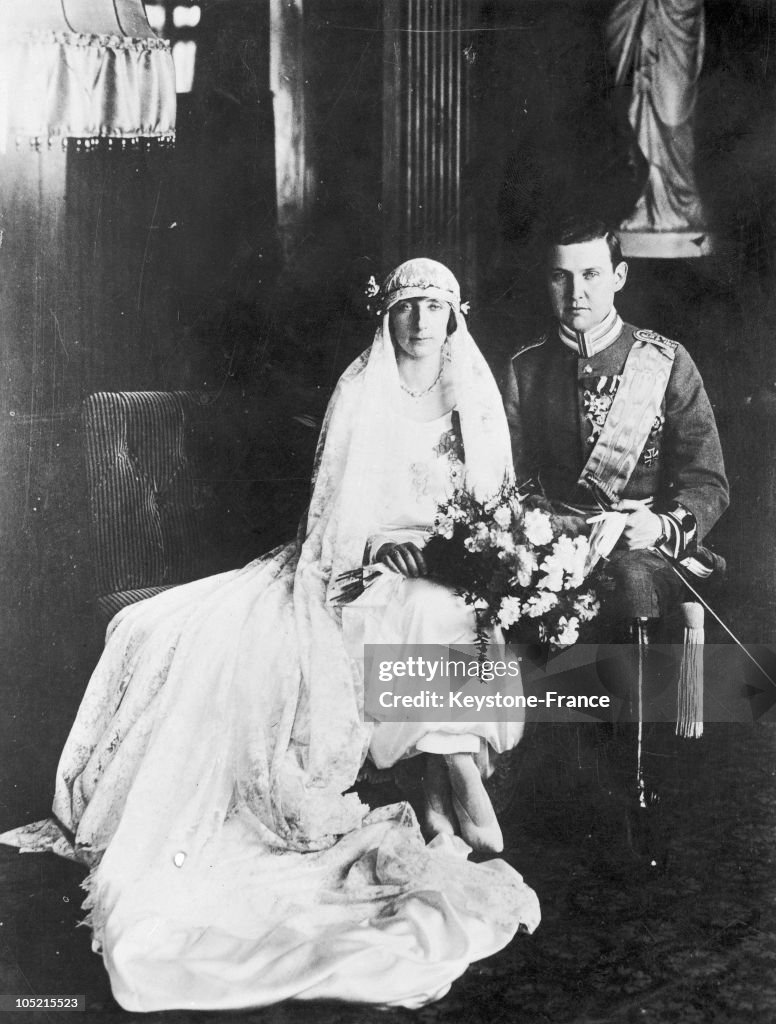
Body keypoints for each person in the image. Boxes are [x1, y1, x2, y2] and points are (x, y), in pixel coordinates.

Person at [1, 259, 538, 1012]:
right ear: (387, 316)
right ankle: (455, 777)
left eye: (435, 308)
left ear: (457, 318)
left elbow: (491, 508)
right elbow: (330, 520)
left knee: (452, 611)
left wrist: (456, 552)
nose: (420, 320)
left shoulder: (473, 396)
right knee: (403, 611)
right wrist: (381, 550)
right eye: (407, 306)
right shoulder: (360, 390)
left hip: (444, 562)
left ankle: (453, 779)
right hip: (356, 564)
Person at [501, 217, 729, 632]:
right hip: (552, 540)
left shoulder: (667, 362)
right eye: (561, 277)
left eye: (590, 274)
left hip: (643, 545)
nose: (576, 293)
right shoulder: (525, 370)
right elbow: (510, 477)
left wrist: (658, 526)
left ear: (618, 276)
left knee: (630, 582)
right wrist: (547, 524)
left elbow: (706, 481)